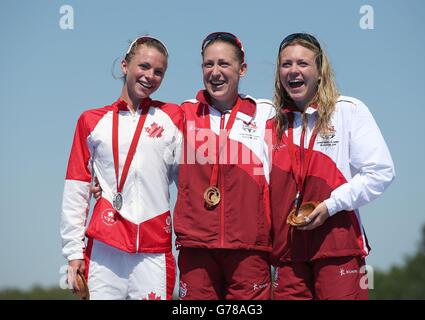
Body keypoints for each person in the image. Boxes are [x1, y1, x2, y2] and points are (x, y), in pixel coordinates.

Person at [267, 33, 395, 300]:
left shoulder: (348, 110)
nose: (293, 71)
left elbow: (381, 172)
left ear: (320, 70)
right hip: (288, 254)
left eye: (302, 63)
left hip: (337, 247)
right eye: (286, 64)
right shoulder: (272, 122)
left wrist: (332, 205)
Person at [60, 35, 183, 300]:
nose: (150, 76)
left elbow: (187, 182)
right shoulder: (91, 121)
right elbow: (76, 188)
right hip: (106, 249)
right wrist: (73, 252)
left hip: (153, 249)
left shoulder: (172, 118)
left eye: (159, 72)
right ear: (125, 66)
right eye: (144, 66)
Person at [173, 32, 275, 300]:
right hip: (197, 247)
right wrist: (106, 180)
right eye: (208, 64)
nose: (215, 72)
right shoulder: (183, 114)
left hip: (249, 247)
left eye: (223, 64)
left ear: (242, 69)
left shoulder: (265, 113)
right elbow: (147, 154)